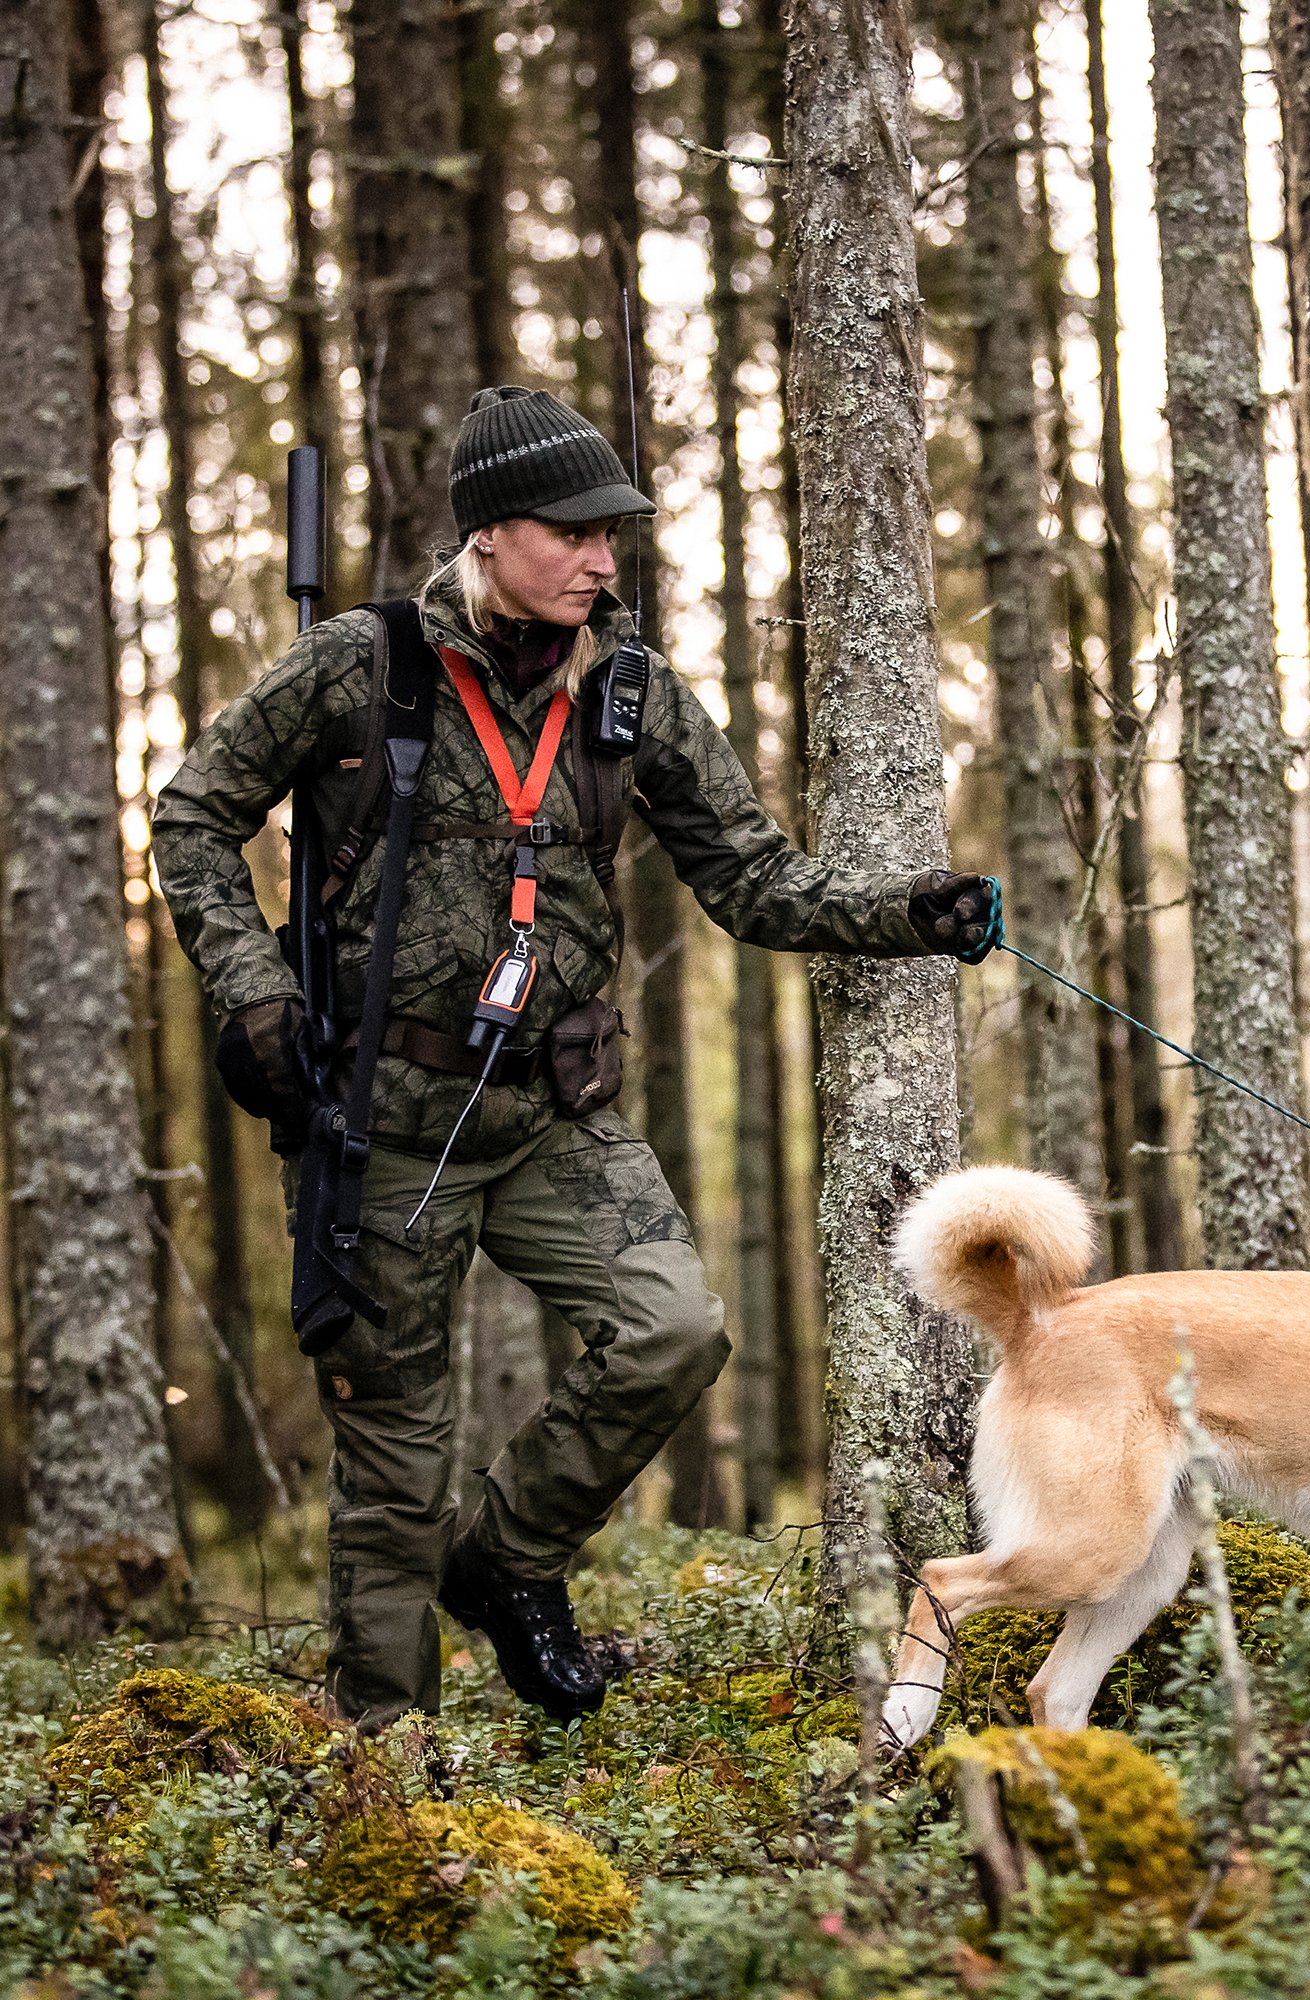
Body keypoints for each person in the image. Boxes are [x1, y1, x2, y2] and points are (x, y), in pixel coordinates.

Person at [153, 385, 999, 1731]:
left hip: (555, 1112)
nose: (605, 560)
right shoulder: (356, 667)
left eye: (616, 535)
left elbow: (754, 881)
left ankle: (507, 1562)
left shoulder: (630, 691)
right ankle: (394, 1769)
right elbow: (192, 817)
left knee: (676, 1333)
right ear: (490, 533)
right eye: (576, 532)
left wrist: (906, 914)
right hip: (379, 1127)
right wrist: (254, 997)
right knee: (392, 1473)